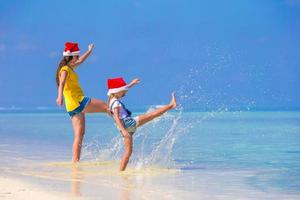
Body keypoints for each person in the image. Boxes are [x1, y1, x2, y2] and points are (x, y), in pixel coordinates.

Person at [107, 77, 177, 171]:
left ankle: (121, 171)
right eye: (123, 92)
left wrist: (131, 84)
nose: (125, 94)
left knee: (128, 152)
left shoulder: (111, 101)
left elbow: (123, 88)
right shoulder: (115, 103)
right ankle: (171, 105)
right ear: (116, 92)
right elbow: (116, 117)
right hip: (128, 124)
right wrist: (124, 131)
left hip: (124, 127)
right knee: (152, 115)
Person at [56, 42, 108, 163]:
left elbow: (80, 62)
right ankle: (123, 125)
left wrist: (89, 52)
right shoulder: (65, 70)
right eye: (76, 56)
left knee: (79, 135)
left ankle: (75, 162)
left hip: (71, 107)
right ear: (70, 56)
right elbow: (62, 83)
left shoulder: (70, 67)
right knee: (107, 106)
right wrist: (59, 97)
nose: (78, 58)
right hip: (78, 101)